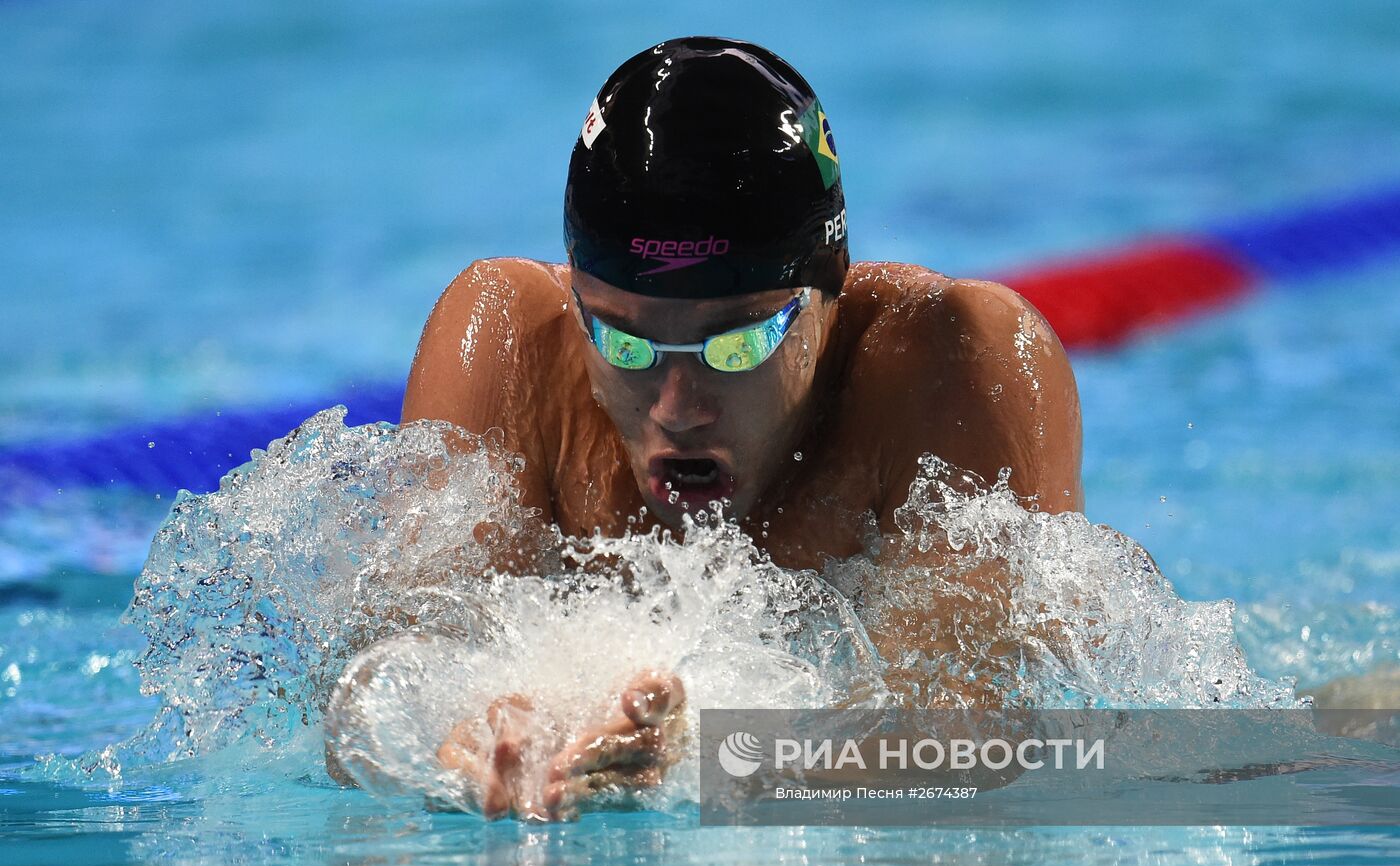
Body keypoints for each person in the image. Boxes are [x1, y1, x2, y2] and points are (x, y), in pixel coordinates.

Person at [326, 36, 1083, 820]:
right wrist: (465, 736)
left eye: (737, 343)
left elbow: (973, 746)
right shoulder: (508, 347)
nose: (677, 405)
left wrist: (704, 760)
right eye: (625, 342)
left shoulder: (950, 369)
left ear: (831, 288)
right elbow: (376, 687)